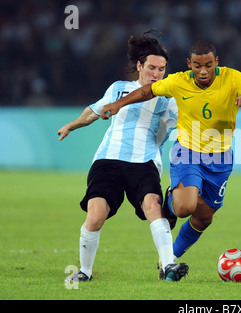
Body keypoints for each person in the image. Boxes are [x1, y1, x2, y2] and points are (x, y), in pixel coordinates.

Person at [100, 40, 241, 275]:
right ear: (189, 64)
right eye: (198, 66)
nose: (203, 71)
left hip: (220, 158)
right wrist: (118, 103)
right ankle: (172, 201)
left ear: (217, 63)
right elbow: (146, 91)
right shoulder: (179, 81)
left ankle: (169, 259)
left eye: (209, 65)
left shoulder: (233, 78)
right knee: (185, 207)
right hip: (188, 151)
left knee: (203, 219)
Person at [59, 31, 188, 283]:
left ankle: (168, 266)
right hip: (108, 160)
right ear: (139, 66)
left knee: (153, 206)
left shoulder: (169, 98)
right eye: (152, 67)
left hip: (144, 162)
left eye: (162, 69)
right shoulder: (119, 89)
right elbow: (94, 111)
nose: (157, 74)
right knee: (95, 215)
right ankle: (85, 271)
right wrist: (71, 125)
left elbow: (182, 127)